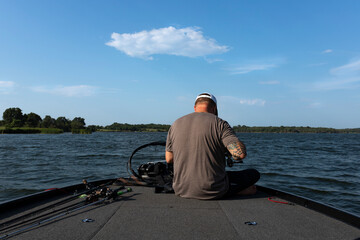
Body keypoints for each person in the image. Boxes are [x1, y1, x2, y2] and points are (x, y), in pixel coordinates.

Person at [165, 92, 260, 200]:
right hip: (213, 190)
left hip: (180, 189)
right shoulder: (220, 124)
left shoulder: (175, 124)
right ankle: (239, 191)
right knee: (254, 174)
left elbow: (169, 159)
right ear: (214, 108)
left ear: (195, 107)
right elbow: (240, 154)